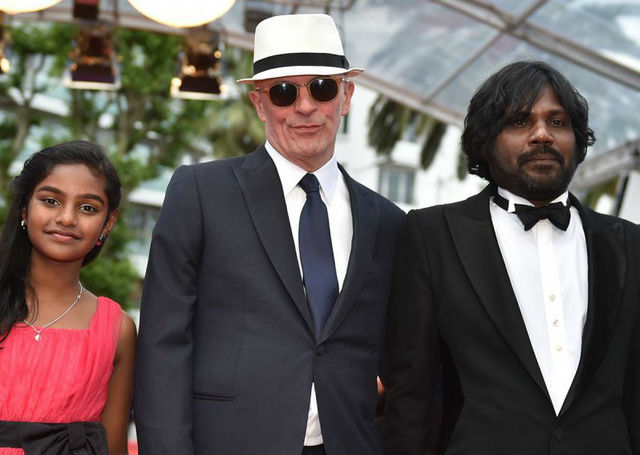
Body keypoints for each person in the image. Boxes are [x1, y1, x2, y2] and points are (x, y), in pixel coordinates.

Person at [134, 13, 405, 455]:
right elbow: (162, 347)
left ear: (346, 96)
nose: (305, 107)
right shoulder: (201, 192)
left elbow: (405, 363)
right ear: (260, 104)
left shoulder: (388, 221)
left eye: (322, 87)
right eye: (283, 92)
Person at [383, 61, 640, 455]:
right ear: (486, 140)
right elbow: (411, 394)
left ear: (577, 139)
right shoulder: (433, 235)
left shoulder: (628, 243)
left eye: (558, 122)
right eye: (520, 122)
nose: (542, 134)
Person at [0, 141, 136, 455]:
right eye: (51, 201)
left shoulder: (117, 330)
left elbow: (113, 447)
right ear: (25, 208)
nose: (66, 218)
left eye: (88, 208)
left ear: (108, 223)